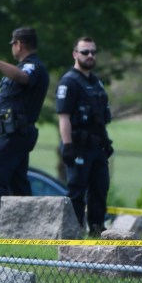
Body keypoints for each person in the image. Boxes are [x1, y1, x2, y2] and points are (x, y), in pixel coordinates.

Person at [0, 27, 49, 232]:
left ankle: (1, 228)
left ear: (19, 44)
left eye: (13, 44)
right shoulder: (23, 66)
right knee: (18, 183)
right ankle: (27, 229)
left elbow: (23, 77)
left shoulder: (33, 66)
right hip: (12, 133)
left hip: (15, 133)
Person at [56, 37, 113, 236]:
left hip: (97, 148)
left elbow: (100, 117)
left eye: (93, 52)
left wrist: (105, 141)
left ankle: (97, 230)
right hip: (78, 146)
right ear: (75, 54)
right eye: (85, 52)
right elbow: (63, 117)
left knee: (100, 189)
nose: (90, 55)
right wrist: (67, 145)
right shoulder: (69, 82)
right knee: (77, 191)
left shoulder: (96, 82)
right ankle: (73, 232)